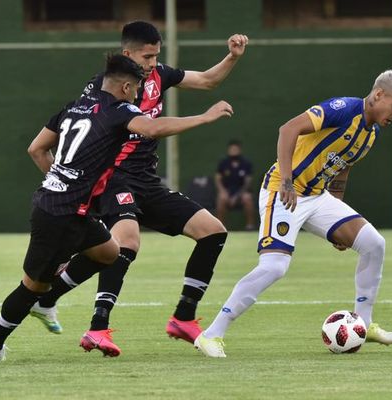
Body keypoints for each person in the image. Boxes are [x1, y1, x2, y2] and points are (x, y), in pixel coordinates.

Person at [0, 54, 233, 361]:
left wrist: (62, 180)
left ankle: (54, 285)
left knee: (110, 252)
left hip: (69, 208)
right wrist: (204, 117)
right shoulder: (118, 111)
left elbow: (36, 148)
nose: (138, 94)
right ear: (124, 87)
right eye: (136, 89)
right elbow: (152, 129)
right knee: (32, 287)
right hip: (57, 215)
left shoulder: (74, 106)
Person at [28, 21, 248, 357]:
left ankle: (183, 318)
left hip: (146, 179)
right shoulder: (103, 90)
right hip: (113, 176)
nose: (152, 62)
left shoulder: (160, 74)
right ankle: (98, 328)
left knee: (213, 232)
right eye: (147, 56)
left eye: (156, 55)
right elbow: (147, 128)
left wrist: (231, 57)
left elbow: (207, 80)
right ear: (126, 54)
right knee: (127, 241)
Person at [194, 70, 392, 358]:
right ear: (379, 95)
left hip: (318, 197)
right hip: (283, 191)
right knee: (274, 267)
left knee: (374, 244)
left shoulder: (370, 134)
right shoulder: (343, 109)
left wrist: (337, 215)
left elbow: (342, 166)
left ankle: (364, 323)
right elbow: (288, 129)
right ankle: (211, 334)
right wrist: (286, 181)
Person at [215, 139, 256, 230]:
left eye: (235, 149)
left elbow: (247, 182)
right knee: (222, 198)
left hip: (241, 192)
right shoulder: (223, 163)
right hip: (227, 192)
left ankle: (250, 226)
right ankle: (220, 228)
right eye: (231, 149)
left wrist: (237, 196)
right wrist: (223, 191)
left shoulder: (246, 163)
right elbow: (218, 179)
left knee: (247, 198)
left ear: (239, 150)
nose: (233, 151)